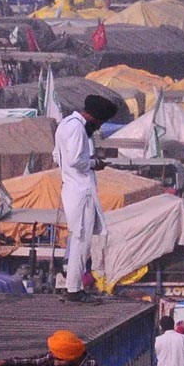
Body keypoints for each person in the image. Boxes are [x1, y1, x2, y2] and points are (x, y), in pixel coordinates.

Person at [53, 95, 117, 303]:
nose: (98, 128)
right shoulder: (77, 128)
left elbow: (57, 156)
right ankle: (74, 290)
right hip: (80, 191)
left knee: (80, 241)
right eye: (99, 123)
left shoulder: (65, 124)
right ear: (92, 117)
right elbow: (74, 161)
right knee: (81, 242)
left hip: (74, 189)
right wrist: (94, 163)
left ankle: (74, 286)